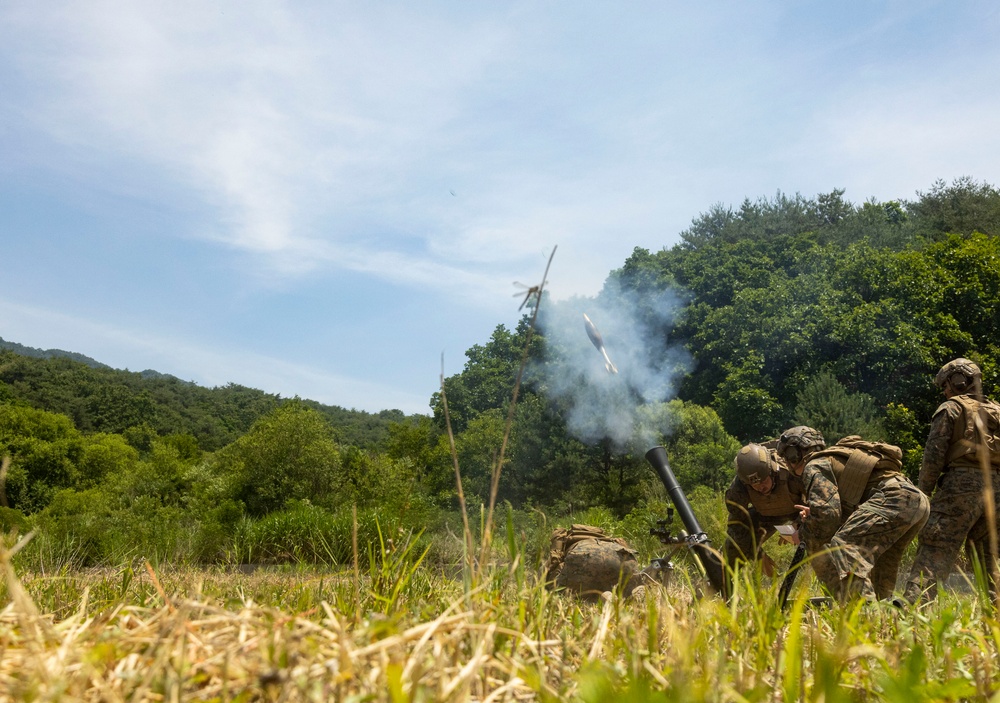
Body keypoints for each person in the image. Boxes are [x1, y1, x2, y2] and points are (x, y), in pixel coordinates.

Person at [777, 426, 929, 601]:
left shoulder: (814, 465)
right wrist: (816, 514)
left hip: (894, 498)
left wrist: (802, 533)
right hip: (915, 501)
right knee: (883, 562)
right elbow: (838, 510)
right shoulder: (834, 458)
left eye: (788, 457)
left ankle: (863, 614)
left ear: (793, 454)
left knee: (846, 544)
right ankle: (883, 613)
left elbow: (827, 517)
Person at [904, 358, 1000, 603]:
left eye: (945, 385)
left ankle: (914, 612)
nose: (945, 391)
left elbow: (933, 455)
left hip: (961, 487)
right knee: (990, 558)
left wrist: (922, 494)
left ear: (957, 381)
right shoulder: (998, 410)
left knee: (935, 548)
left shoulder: (951, 408)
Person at [723, 443, 805, 573]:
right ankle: (716, 584)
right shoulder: (739, 488)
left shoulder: (791, 472)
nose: (761, 487)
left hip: (799, 511)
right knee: (734, 548)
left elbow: (818, 503)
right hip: (765, 516)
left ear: (771, 471)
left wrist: (798, 525)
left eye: (764, 481)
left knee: (821, 535)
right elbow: (737, 526)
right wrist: (757, 553)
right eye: (754, 485)